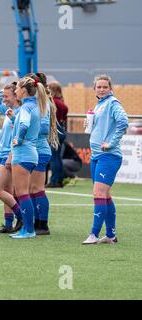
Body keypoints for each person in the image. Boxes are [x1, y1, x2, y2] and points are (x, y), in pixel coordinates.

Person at [82, 75, 128, 245]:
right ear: (94, 89)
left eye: (105, 87)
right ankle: (110, 236)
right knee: (105, 195)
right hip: (96, 156)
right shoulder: (100, 104)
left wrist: (111, 143)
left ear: (110, 88)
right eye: (98, 87)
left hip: (109, 156)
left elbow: (123, 122)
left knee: (98, 194)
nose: (101, 89)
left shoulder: (113, 103)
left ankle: (93, 234)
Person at [6, 76, 47, 239]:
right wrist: (13, 119)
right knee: (22, 192)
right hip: (29, 152)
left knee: (22, 193)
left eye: (17, 88)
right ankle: (28, 228)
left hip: (23, 152)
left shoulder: (26, 107)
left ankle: (28, 229)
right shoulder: (34, 105)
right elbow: (25, 124)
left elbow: (24, 125)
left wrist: (19, 139)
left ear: (23, 90)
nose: (15, 90)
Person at [27, 73, 59, 236]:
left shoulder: (42, 104)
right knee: (31, 189)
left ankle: (43, 224)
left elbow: (44, 128)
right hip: (32, 150)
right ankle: (35, 221)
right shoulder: (32, 104)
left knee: (37, 188)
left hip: (39, 150)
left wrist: (25, 129)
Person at [0, 82, 23, 233]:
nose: (3, 99)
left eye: (6, 96)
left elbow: (16, 137)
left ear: (16, 96)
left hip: (11, 155)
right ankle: (8, 224)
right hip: (3, 154)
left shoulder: (20, 113)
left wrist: (9, 156)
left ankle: (21, 216)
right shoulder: (8, 111)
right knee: (7, 190)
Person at [47, 81, 68, 188]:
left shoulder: (53, 102)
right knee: (57, 157)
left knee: (54, 157)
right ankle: (59, 179)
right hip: (61, 129)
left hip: (55, 130)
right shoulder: (62, 102)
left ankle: (54, 180)